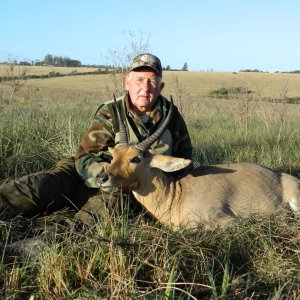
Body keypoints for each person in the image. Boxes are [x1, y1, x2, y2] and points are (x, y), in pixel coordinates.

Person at [0, 53, 193, 226]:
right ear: (127, 82)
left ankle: (46, 241)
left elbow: (184, 168)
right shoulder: (110, 110)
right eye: (139, 80)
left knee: (105, 209)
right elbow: (84, 158)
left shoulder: (172, 118)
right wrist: (108, 175)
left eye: (152, 81)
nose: (145, 87)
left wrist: (148, 183)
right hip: (89, 172)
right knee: (40, 185)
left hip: (132, 188)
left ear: (161, 87)